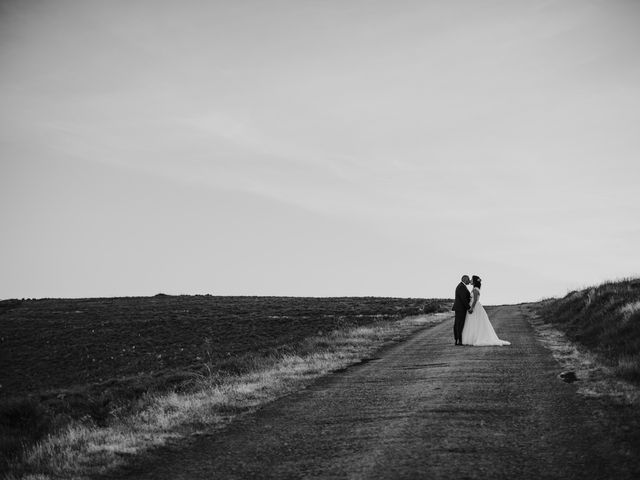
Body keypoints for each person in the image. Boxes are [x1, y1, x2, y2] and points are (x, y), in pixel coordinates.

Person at [461, 276, 510, 346]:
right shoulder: (475, 289)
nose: (470, 280)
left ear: (474, 281)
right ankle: (473, 337)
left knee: (475, 322)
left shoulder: (475, 289)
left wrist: (472, 308)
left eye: (472, 279)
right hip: (476, 306)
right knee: (474, 322)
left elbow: (475, 300)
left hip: (475, 307)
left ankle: (476, 338)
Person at [452, 275, 471, 346]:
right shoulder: (461, 287)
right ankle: (459, 340)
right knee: (459, 324)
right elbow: (463, 299)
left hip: (460, 308)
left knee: (458, 324)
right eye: (468, 280)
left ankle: (458, 340)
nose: (469, 281)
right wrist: (468, 308)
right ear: (465, 279)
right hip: (460, 309)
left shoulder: (462, 286)